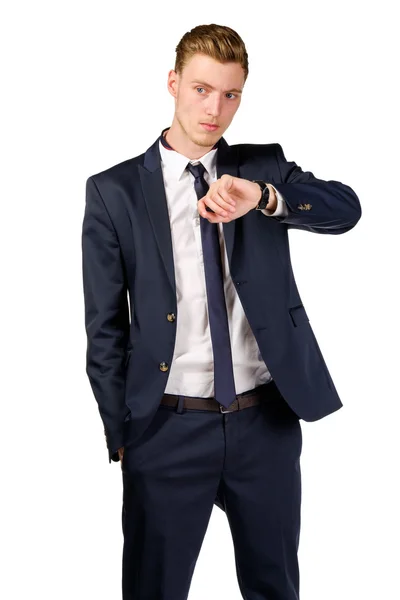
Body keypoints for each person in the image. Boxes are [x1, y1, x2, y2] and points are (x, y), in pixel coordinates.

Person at [81, 23, 361, 600]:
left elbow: (346, 210)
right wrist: (122, 432)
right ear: (173, 83)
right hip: (165, 426)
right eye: (202, 90)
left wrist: (262, 197)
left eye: (231, 94)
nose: (215, 109)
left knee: (275, 588)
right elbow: (104, 326)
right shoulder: (114, 192)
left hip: (265, 422)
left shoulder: (262, 167)